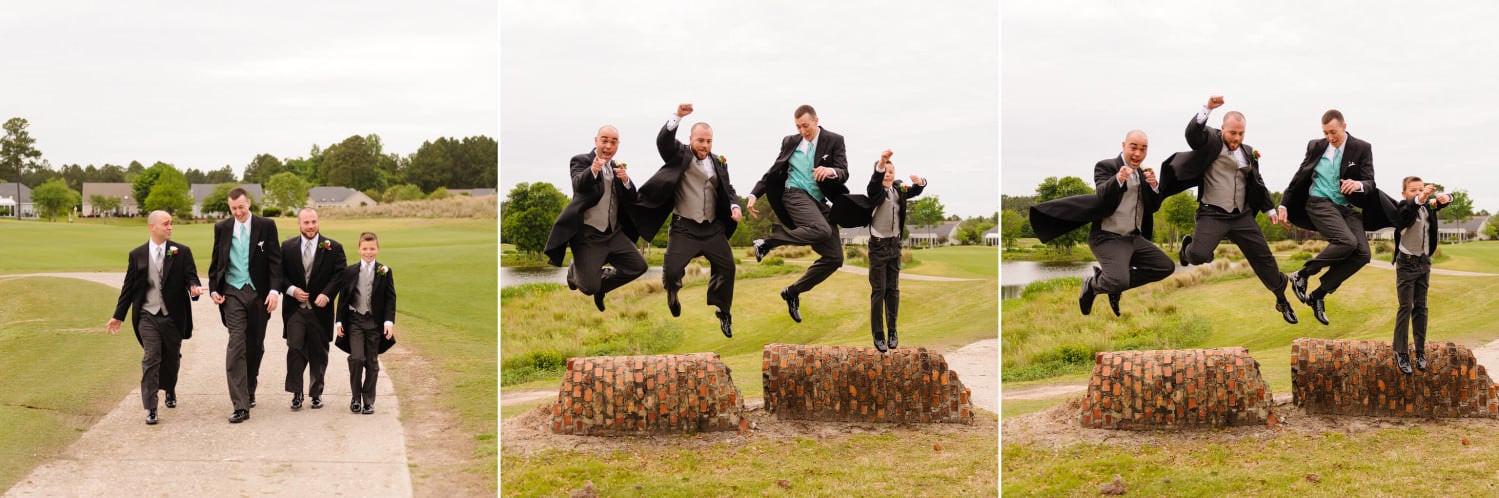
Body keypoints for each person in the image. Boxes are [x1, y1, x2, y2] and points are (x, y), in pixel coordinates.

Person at [1167, 95, 1297, 324]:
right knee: (1198, 256)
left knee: (1264, 259)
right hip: (1212, 212)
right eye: (1232, 133)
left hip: (1241, 216)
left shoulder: (1249, 152)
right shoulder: (1210, 141)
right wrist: (1207, 108)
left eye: (1241, 133)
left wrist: (1269, 210)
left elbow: (1257, 182)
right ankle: (1187, 248)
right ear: (1222, 129)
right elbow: (1193, 135)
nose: (1237, 138)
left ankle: (1281, 298)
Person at [1033, 131, 1175, 317]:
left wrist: (1155, 186)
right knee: (1119, 280)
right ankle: (1093, 285)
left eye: (1143, 149)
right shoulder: (1106, 166)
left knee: (1165, 266)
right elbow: (1101, 195)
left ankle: (1113, 285)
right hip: (1107, 237)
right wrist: (1118, 179)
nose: (1138, 154)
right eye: (1133, 147)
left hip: (1133, 238)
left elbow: (1153, 207)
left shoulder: (1142, 174)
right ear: (1123, 145)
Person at [634, 103, 741, 337]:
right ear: (691, 139)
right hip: (684, 228)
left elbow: (728, 188)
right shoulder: (679, 154)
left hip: (713, 229)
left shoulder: (719, 162)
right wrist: (677, 117)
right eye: (701, 140)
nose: (704, 145)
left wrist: (734, 205)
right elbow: (663, 142)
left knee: (728, 268)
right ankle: (672, 293)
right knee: (671, 273)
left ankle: (723, 310)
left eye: (708, 141)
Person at [1278, 110, 1384, 325]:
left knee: (1363, 254)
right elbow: (1300, 174)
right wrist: (1283, 203)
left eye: (1333, 132)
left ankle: (1318, 294)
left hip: (1346, 206)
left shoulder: (1362, 148)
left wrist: (1358, 185)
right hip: (1319, 201)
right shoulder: (1315, 146)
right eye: (1325, 133)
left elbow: (1370, 181)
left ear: (1344, 126)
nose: (1330, 137)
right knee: (1346, 242)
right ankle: (1304, 273)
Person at [747, 104, 850, 323]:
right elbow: (773, 171)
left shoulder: (834, 140)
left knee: (835, 258)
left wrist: (830, 171)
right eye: (798, 126)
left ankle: (793, 292)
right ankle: (768, 243)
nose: (803, 131)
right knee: (821, 230)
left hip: (819, 200)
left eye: (805, 125)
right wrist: (755, 194)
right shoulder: (790, 142)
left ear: (816, 120)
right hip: (794, 194)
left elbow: (843, 171)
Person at [106, 211, 203, 425]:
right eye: (165, 224)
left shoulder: (181, 251)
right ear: (152, 227)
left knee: (172, 359)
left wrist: (194, 288)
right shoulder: (137, 255)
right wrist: (118, 316)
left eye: (171, 224)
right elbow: (128, 288)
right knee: (151, 357)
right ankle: (151, 407)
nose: (170, 227)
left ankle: (169, 387)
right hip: (146, 315)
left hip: (173, 316)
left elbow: (191, 277)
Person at [543, 125, 647, 312]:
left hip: (613, 233)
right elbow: (578, 184)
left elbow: (632, 199)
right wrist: (593, 170)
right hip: (588, 235)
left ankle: (602, 288)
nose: (608, 145)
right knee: (589, 287)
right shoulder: (581, 160)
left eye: (613, 142)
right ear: (596, 141)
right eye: (604, 140)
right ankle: (574, 271)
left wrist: (626, 181)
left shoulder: (617, 167)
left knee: (638, 266)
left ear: (618, 145)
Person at [208, 187, 282, 424]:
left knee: (255, 345)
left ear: (248, 203)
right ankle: (240, 405)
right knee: (236, 344)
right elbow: (216, 263)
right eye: (233, 208)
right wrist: (213, 289)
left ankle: (250, 386)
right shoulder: (222, 228)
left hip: (259, 294)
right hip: (232, 293)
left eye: (241, 207)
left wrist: (273, 290)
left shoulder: (266, 226)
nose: (238, 212)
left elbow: (275, 261)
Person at [279, 208, 345, 410]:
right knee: (295, 348)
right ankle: (296, 393)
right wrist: (291, 290)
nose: (310, 226)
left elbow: (340, 274)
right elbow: (277, 274)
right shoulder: (287, 247)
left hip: (320, 310)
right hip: (295, 309)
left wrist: (327, 294)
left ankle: (316, 393)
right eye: (306, 222)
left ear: (318, 222)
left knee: (319, 352)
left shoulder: (333, 247)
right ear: (299, 224)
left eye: (313, 222)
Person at [862, 149, 927, 351]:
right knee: (879, 291)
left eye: (891, 171)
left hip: (894, 246)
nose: (888, 175)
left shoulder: (899, 189)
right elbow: (874, 182)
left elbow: (916, 190)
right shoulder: (874, 191)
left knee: (893, 290)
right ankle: (878, 333)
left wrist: (921, 182)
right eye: (884, 171)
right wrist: (881, 163)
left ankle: (892, 331)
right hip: (878, 247)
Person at [1391, 177, 1451, 374]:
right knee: (1406, 306)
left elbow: (1444, 201)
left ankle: (1420, 351)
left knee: (1421, 307)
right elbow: (1407, 213)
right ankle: (1400, 352)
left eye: (1420, 189)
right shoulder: (1402, 208)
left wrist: (1446, 197)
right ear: (1404, 194)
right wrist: (1421, 197)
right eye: (1412, 190)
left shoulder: (1429, 205)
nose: (1418, 193)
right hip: (1406, 263)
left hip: (1424, 262)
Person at [335, 232, 397, 414]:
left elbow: (390, 298)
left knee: (372, 362)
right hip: (355, 321)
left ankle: (368, 400)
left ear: (377, 249)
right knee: (356, 358)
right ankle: (355, 397)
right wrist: (339, 321)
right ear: (358, 249)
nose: (368, 252)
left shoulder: (385, 271)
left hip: (374, 323)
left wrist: (388, 322)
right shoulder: (349, 271)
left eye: (372, 249)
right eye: (365, 249)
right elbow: (343, 298)